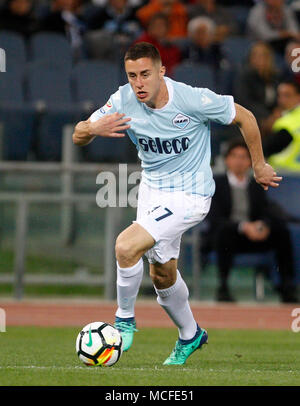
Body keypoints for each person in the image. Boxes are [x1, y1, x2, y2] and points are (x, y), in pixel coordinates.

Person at [72, 42, 282, 365]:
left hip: (191, 194)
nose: (138, 83)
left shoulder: (191, 99)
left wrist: (258, 165)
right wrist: (92, 127)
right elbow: (78, 135)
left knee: (126, 247)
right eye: (132, 76)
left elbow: (246, 117)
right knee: (162, 274)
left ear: (161, 72)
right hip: (153, 191)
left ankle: (124, 320)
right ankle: (191, 334)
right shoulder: (122, 100)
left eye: (145, 74)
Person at [205, 138, 298, 303]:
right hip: (228, 237)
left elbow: (265, 211)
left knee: (282, 232)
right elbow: (215, 218)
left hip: (253, 236)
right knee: (223, 233)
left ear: (250, 162)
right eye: (235, 156)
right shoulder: (215, 184)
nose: (239, 161)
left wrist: (263, 225)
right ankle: (223, 288)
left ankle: (287, 287)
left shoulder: (256, 185)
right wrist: (243, 226)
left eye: (244, 157)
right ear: (227, 160)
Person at [234, 41, 280, 129]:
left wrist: (277, 111)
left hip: (274, 118)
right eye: (256, 55)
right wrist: (267, 116)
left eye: (263, 55)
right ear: (250, 58)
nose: (260, 59)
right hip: (251, 118)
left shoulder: (275, 77)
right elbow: (244, 101)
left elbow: (280, 98)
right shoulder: (244, 76)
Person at [263, 80, 300, 171]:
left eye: (287, 95)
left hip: (287, 173)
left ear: (298, 97)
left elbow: (268, 148)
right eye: (279, 95)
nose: (282, 100)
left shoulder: (287, 122)